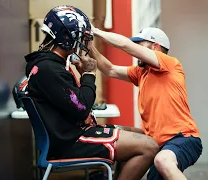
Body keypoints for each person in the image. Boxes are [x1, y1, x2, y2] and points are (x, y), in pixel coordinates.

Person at [24, 5, 158, 180]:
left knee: (140, 135)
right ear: (66, 37)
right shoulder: (49, 69)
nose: (83, 43)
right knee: (149, 147)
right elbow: (82, 107)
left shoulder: (47, 64)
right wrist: (89, 75)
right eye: (80, 37)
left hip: (71, 133)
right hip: (71, 141)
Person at [89, 26, 203, 180]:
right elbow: (110, 70)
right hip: (158, 143)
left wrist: (95, 31)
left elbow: (126, 46)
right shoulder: (142, 73)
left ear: (156, 47)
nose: (137, 50)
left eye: (140, 45)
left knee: (163, 161)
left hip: (183, 138)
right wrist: (88, 45)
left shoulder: (169, 64)